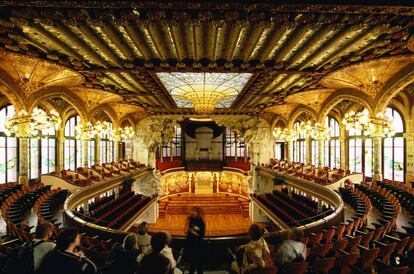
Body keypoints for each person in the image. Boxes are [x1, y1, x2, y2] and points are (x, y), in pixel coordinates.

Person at [184, 207, 205, 274]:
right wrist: (187, 223)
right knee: (192, 266)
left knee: (199, 265)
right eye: (192, 211)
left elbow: (201, 235)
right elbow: (185, 230)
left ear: (197, 213)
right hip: (191, 245)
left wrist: (192, 231)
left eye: (194, 211)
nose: (192, 213)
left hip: (198, 246)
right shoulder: (190, 220)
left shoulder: (201, 222)